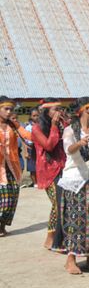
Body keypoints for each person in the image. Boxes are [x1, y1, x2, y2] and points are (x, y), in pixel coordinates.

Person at [51, 97, 89, 274]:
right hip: (76, 180)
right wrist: (80, 143)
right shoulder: (71, 130)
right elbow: (68, 149)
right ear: (86, 110)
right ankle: (70, 259)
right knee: (75, 221)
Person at [31, 98, 67, 249]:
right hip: (48, 170)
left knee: (64, 203)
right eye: (55, 109)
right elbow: (49, 145)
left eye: (60, 109)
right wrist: (54, 126)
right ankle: (51, 236)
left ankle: (59, 236)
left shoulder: (63, 124)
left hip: (64, 168)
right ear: (46, 113)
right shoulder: (37, 128)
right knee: (57, 204)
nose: (58, 112)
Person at [0, 96, 33, 236]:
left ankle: (2, 225)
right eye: (6, 109)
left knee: (13, 197)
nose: (8, 112)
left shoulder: (13, 125)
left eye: (11, 109)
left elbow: (28, 136)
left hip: (12, 165)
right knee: (5, 198)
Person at [23, 109, 39, 188]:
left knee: (39, 166)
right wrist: (26, 151)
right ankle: (35, 183)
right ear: (30, 116)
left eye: (37, 115)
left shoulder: (41, 126)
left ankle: (40, 181)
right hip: (31, 149)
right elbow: (25, 141)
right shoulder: (28, 127)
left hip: (39, 149)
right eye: (34, 116)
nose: (36, 117)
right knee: (32, 167)